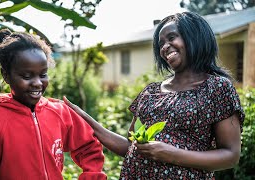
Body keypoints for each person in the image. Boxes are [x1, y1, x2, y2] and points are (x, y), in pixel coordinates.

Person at [63, 12, 244, 179]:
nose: (165, 47)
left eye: (172, 38)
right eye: (161, 44)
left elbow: (230, 155)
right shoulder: (151, 92)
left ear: (194, 36)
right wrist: (86, 120)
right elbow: (131, 146)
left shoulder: (217, 88)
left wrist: (172, 154)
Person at [0, 29, 107, 180]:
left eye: (43, 74)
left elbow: (89, 146)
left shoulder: (60, 112)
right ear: (6, 76)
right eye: (27, 76)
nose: (37, 83)